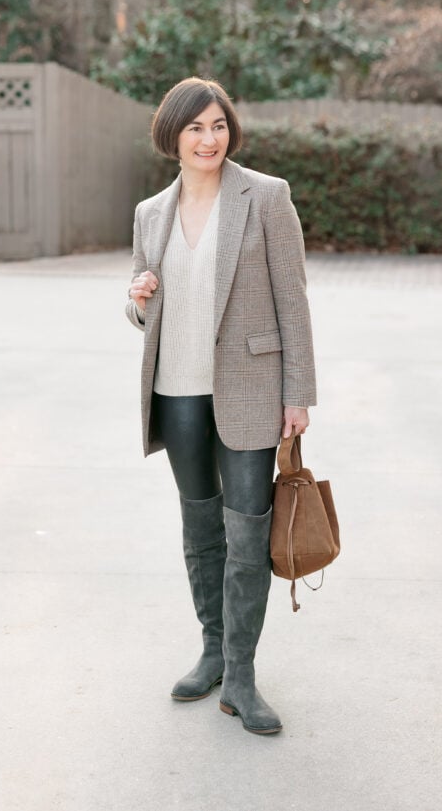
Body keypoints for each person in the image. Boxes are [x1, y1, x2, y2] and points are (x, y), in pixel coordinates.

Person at [125, 77, 316, 736]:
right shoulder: (151, 211)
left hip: (249, 389)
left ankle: (241, 673)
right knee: (200, 527)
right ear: (172, 136)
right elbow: (139, 303)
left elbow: (292, 299)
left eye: (217, 125)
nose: (208, 139)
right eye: (194, 128)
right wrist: (137, 297)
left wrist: (298, 393)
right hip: (176, 388)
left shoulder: (264, 196)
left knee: (245, 531)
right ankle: (211, 651)